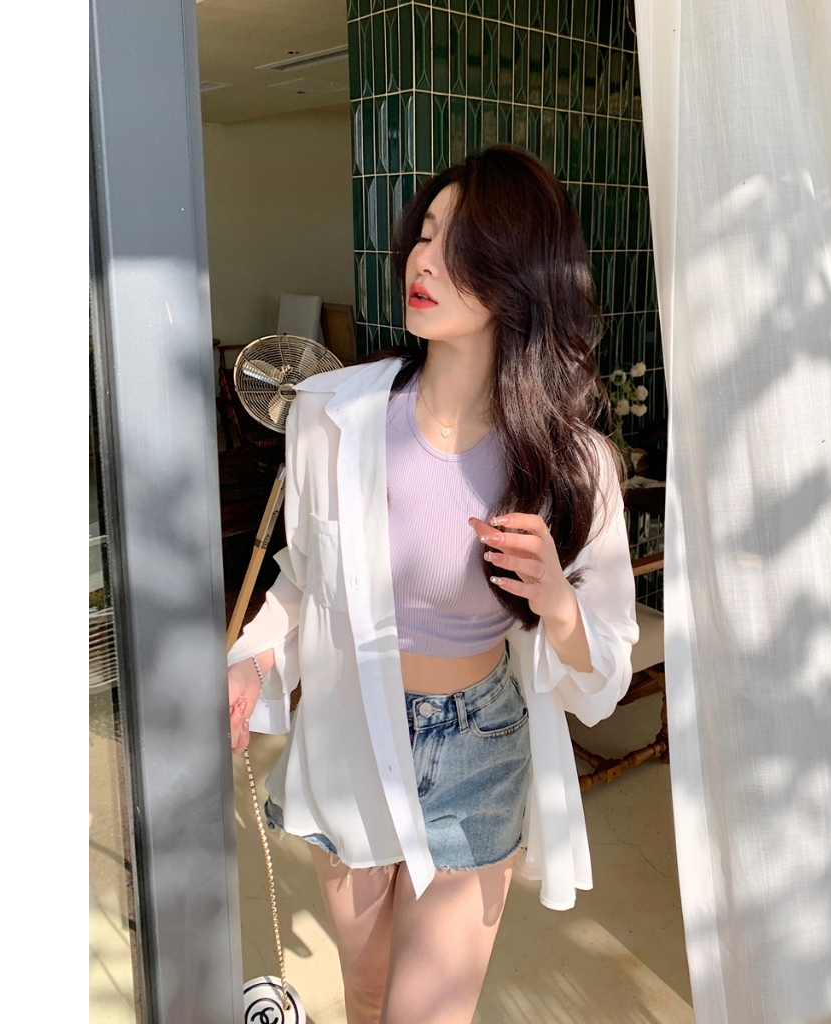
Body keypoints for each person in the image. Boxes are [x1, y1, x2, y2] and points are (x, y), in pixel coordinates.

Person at [227, 144, 639, 1024]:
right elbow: (307, 579)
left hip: (476, 747)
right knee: (369, 995)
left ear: (519, 272)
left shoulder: (574, 463)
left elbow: (604, 671)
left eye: (457, 243)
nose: (422, 258)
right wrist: (253, 661)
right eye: (424, 233)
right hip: (346, 731)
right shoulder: (335, 414)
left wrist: (557, 603)